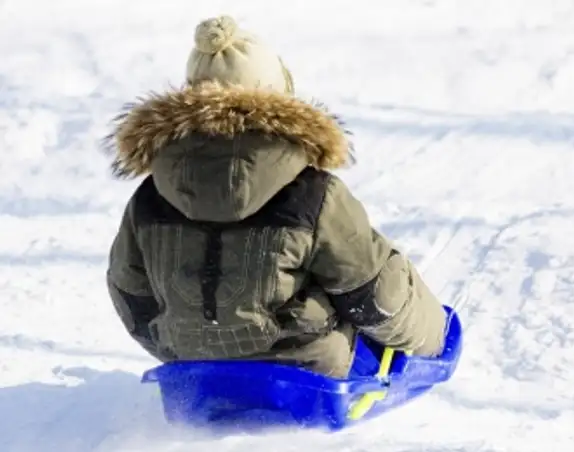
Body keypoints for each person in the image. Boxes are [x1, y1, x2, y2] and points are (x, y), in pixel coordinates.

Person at [102, 15, 447, 378]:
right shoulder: (314, 194)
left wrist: (185, 349)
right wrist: (437, 339)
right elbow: (374, 294)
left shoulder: (149, 196)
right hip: (305, 376)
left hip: (195, 373)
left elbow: (131, 294)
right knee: (369, 327)